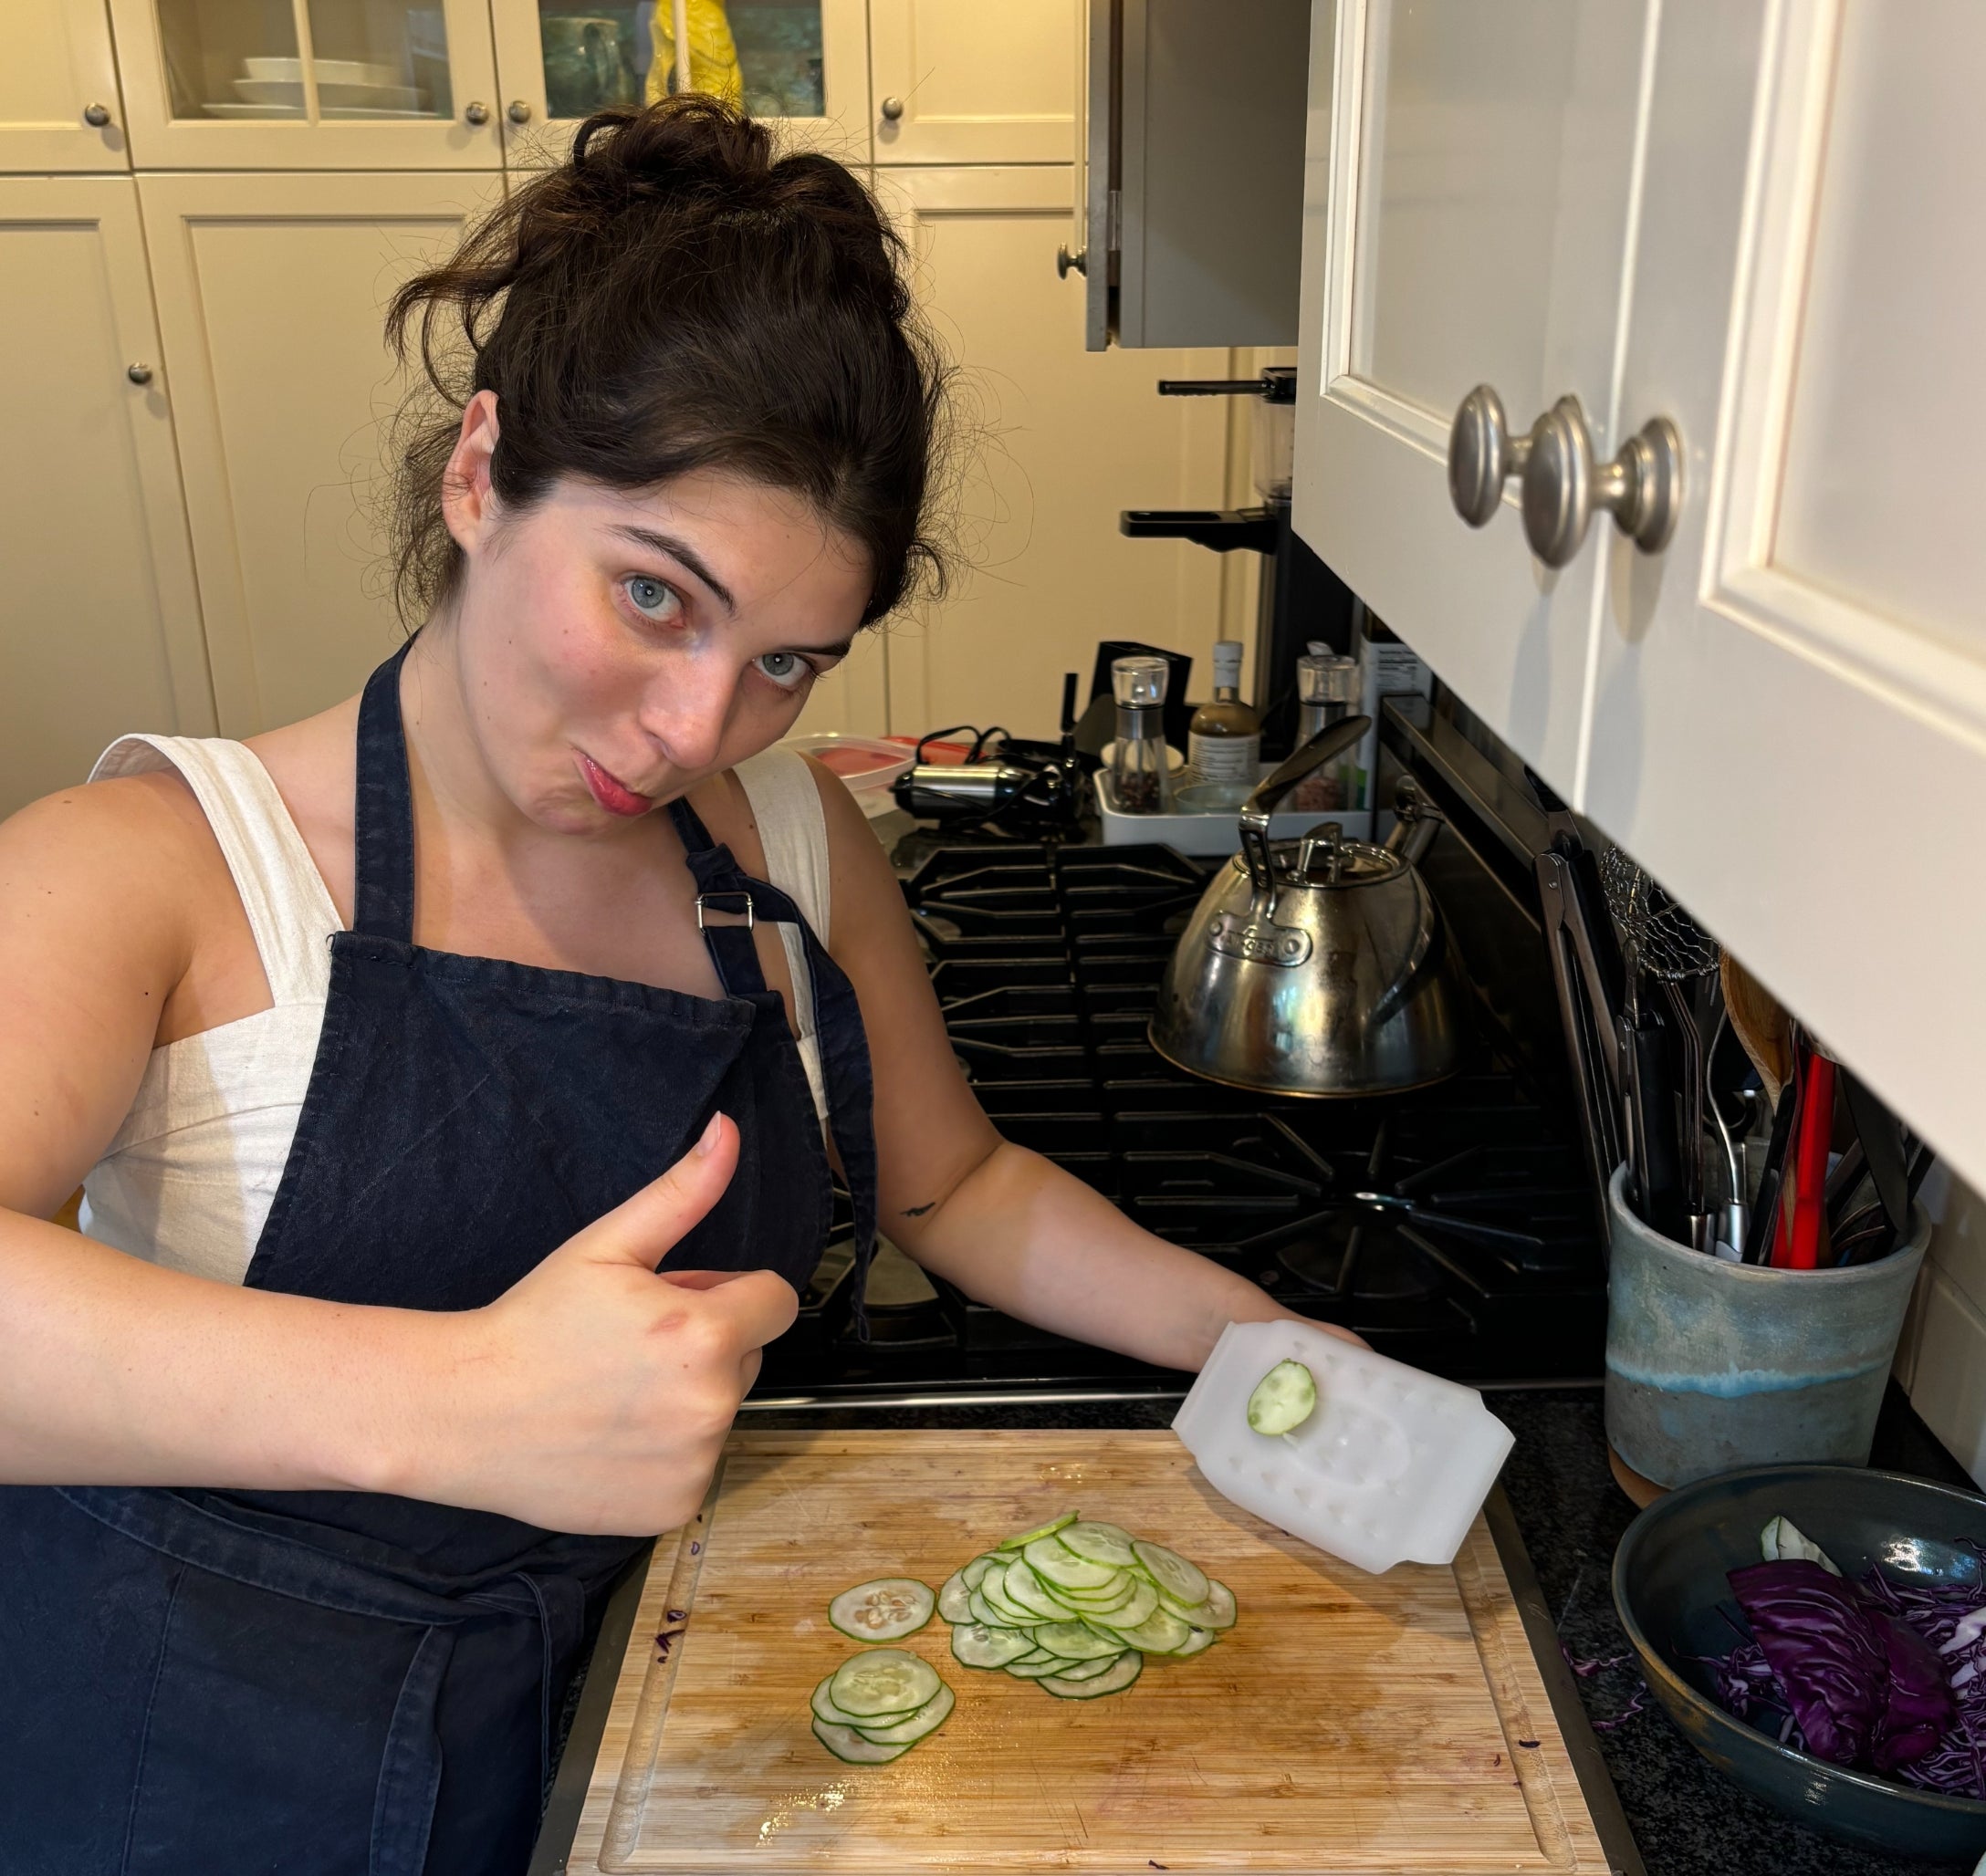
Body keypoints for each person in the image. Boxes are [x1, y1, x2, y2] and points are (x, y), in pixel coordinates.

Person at [0, 99, 1336, 1875]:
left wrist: (1256, 1347)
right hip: (207, 1776)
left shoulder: (782, 843)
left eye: (785, 655)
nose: (697, 725)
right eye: (651, 593)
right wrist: (452, 1397)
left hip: (654, 1732)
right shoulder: (150, 862)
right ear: (479, 476)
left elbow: (953, 1183)